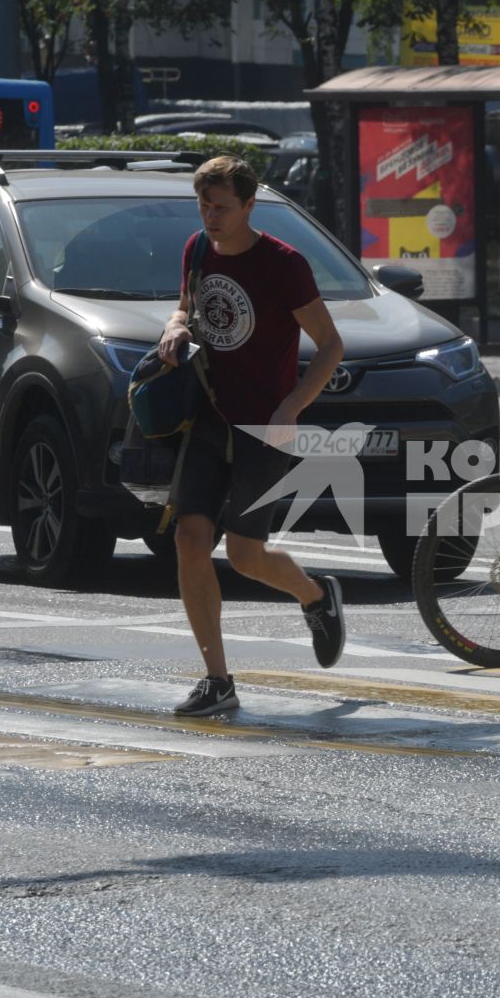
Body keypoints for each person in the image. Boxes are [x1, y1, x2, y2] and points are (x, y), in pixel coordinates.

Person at [156, 155, 347, 717]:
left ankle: (316, 595)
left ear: (248, 206)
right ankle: (217, 680)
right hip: (210, 416)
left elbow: (330, 346)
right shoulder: (196, 249)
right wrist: (175, 326)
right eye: (203, 206)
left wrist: (292, 406)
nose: (210, 217)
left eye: (221, 207)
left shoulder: (283, 266)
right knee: (189, 540)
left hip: (268, 425)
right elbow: (186, 307)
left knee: (244, 555)